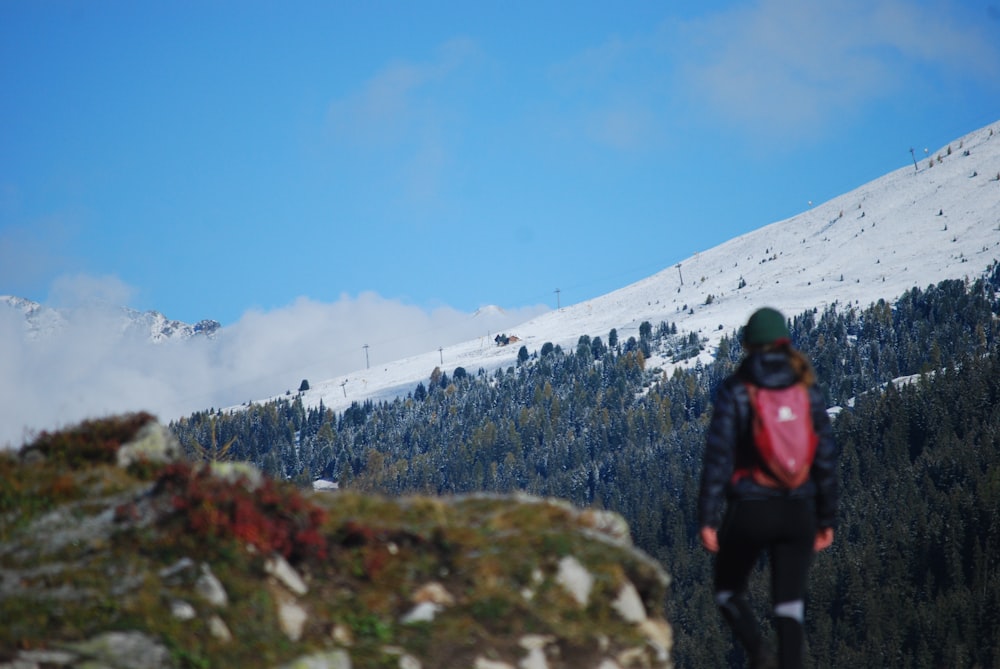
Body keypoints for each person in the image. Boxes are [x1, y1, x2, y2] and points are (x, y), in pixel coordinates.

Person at [698, 307, 839, 668]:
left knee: (728, 590)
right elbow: (824, 457)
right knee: (789, 605)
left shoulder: (737, 389)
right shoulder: (806, 388)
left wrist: (708, 518)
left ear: (748, 345)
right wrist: (826, 518)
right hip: (799, 510)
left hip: (751, 509)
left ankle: (760, 656)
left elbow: (718, 457)